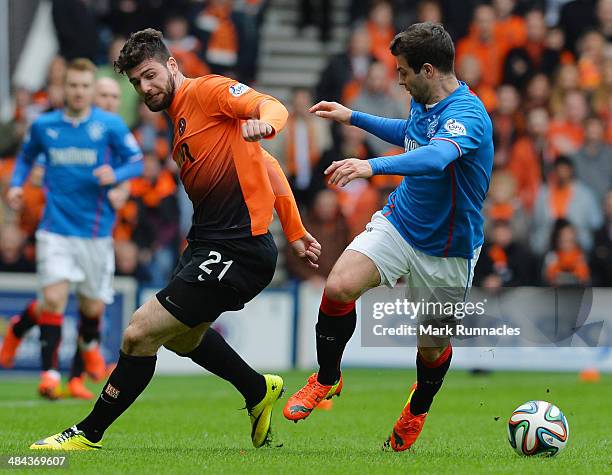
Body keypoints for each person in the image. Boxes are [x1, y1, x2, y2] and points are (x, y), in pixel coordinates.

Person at [30, 28, 321, 451]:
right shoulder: (179, 123)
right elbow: (268, 168)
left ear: (171, 65)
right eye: (135, 82)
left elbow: (269, 105)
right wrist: (294, 231)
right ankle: (257, 389)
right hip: (207, 245)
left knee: (138, 333)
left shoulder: (207, 92)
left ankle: (87, 434)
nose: (144, 88)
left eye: (149, 75)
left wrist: (267, 124)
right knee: (183, 337)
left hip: (238, 248)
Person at [283, 22, 493, 452]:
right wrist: (353, 117)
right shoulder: (424, 100)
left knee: (432, 348)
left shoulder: (468, 116)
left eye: (403, 71)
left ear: (429, 70)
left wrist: (371, 167)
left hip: (448, 249)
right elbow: (411, 134)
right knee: (339, 285)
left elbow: (435, 158)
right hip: (401, 222)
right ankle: (327, 377)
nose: (398, 78)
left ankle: (417, 407)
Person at [0, 59, 144, 401]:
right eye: (73, 85)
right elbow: (25, 159)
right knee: (54, 298)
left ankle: (35, 334)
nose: (78, 92)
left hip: (95, 233)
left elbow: (136, 161)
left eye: (84, 86)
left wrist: (118, 176)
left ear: (91, 90)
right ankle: (50, 374)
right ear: (63, 88)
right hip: (55, 229)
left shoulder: (108, 125)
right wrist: (17, 186)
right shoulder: (45, 126)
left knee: (91, 307)